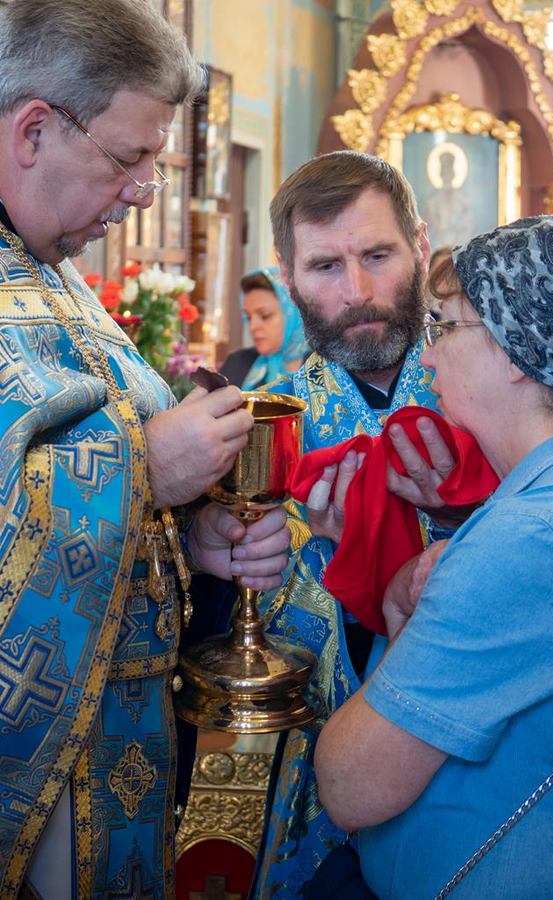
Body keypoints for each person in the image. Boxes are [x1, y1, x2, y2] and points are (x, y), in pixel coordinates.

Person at [0, 3, 290, 899]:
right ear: (34, 130)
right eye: (130, 158)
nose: (141, 192)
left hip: (121, 747)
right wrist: (141, 471)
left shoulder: (52, 271)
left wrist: (185, 536)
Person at [314, 215, 553, 899]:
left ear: (515, 349)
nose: (429, 356)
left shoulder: (533, 535)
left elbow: (350, 785)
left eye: (444, 327)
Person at [250, 150, 471, 899]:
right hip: (314, 795)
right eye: (325, 268)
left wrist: (455, 520)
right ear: (288, 278)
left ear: (420, 243)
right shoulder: (263, 431)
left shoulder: (498, 392)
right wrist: (329, 565)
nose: (359, 292)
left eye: (378, 255)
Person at [219, 266, 308, 389]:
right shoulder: (236, 363)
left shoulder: (326, 370)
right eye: (248, 317)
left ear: (293, 314)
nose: (253, 326)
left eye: (265, 316)